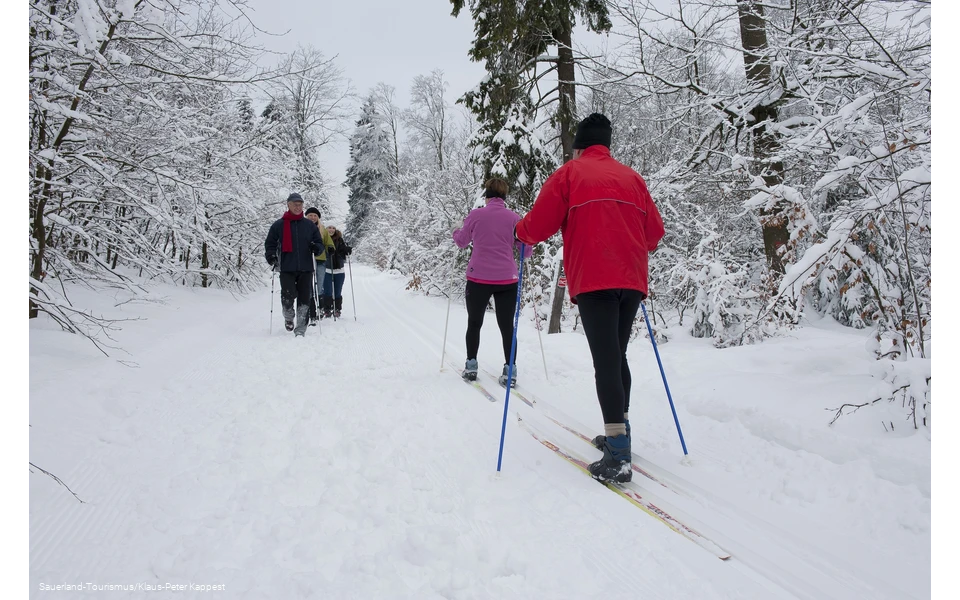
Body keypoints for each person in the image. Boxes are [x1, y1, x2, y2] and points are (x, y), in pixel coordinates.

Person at [514, 113, 665, 483]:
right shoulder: (633, 179)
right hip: (631, 279)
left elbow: (540, 225)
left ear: (579, 144)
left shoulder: (570, 174)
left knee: (606, 360)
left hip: (595, 278)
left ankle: (617, 451)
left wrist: (520, 231)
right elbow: (654, 234)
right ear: (607, 144)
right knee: (617, 354)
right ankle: (620, 431)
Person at [453, 178, 533, 387]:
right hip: (507, 279)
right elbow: (525, 251)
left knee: (474, 322)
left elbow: (462, 242)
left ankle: (471, 365)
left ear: (486, 196)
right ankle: (510, 370)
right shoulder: (514, 218)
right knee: (507, 326)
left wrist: (456, 229)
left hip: (478, 277)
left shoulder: (476, 215)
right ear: (505, 197)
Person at [264, 193, 326, 336]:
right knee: (288, 296)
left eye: (300, 204)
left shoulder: (309, 225)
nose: (298, 207)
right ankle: (288, 316)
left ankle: (300, 329)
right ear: (288, 205)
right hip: (286, 267)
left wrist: (316, 248)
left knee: (305, 298)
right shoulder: (279, 225)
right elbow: (270, 243)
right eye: (295, 204)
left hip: (306, 267)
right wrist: (271, 256)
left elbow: (319, 243)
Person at [304, 207, 336, 325]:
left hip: (320, 260)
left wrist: (331, 248)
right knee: (308, 286)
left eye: (315, 216)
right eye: (310, 215)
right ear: (306, 216)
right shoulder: (302, 227)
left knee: (319, 285)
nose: (313, 218)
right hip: (306, 260)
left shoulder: (322, 229)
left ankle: (320, 308)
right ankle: (311, 311)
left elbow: (329, 242)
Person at [321, 225, 352, 319]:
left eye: (333, 228)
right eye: (329, 227)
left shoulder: (340, 240)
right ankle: (327, 309)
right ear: (326, 229)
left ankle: (337, 309)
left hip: (339, 270)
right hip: (327, 269)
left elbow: (344, 251)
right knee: (327, 291)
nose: (331, 230)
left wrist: (347, 250)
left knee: (338, 291)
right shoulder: (322, 239)